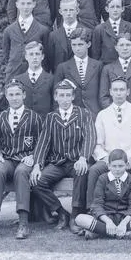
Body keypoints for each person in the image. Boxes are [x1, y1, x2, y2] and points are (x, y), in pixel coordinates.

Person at [30, 79, 97, 234]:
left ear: (73, 96)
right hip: (57, 163)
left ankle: (75, 215)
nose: (65, 99)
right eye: (61, 95)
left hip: (76, 161)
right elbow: (43, 142)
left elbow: (90, 137)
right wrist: (37, 165)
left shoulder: (84, 114)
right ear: (56, 97)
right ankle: (61, 213)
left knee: (82, 171)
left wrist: (83, 158)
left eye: (68, 95)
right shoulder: (51, 117)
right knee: (36, 182)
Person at [0, 80, 43, 240]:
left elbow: (42, 142)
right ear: (6, 96)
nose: (14, 98)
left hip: (26, 160)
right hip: (7, 159)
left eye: (17, 94)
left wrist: (33, 156)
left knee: (21, 172)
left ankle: (23, 224)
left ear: (24, 95)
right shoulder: (0, 117)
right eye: (11, 95)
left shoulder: (34, 117)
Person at [88, 76, 131, 209]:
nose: (119, 93)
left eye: (122, 90)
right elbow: (97, 144)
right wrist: (105, 158)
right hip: (109, 158)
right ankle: (92, 208)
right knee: (95, 170)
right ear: (110, 92)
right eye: (116, 90)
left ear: (128, 92)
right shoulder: (102, 114)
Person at [73, 149, 131, 240]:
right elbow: (97, 204)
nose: (117, 169)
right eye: (114, 166)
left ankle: (99, 232)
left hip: (124, 217)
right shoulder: (102, 179)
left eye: (121, 166)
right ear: (108, 166)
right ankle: (126, 233)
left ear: (126, 165)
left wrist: (124, 223)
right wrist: (108, 222)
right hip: (105, 217)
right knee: (79, 218)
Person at [53, 28, 103, 118]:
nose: (77, 48)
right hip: (72, 115)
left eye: (80, 44)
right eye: (74, 45)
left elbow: (102, 91)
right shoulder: (63, 67)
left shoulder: (98, 65)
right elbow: (56, 94)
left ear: (88, 44)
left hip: (94, 113)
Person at [2, 0, 50, 80]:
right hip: (14, 75)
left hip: (36, 77)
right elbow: (6, 55)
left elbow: (46, 58)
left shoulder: (43, 31)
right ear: (17, 5)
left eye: (28, 3)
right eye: (23, 3)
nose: (25, 7)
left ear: (34, 4)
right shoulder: (8, 31)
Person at [98, 33, 131, 110]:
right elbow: (103, 97)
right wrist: (115, 111)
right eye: (121, 45)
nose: (125, 48)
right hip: (114, 113)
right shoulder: (107, 69)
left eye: (128, 45)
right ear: (116, 48)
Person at [90, 0, 131, 64]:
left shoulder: (130, 27)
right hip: (106, 67)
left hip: (126, 66)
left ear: (122, 9)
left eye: (118, 7)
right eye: (112, 7)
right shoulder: (99, 29)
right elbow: (95, 55)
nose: (115, 10)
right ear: (107, 9)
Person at [12, 41, 55, 117]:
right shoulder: (18, 80)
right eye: (31, 54)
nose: (34, 57)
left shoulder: (51, 79)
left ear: (42, 56)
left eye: (37, 54)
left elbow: (55, 105)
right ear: (26, 57)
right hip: (24, 122)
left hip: (45, 121)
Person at [46, 0, 80, 69]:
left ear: (77, 11)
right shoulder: (53, 36)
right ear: (60, 12)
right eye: (65, 10)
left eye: (71, 10)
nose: (68, 13)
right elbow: (50, 61)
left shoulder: (87, 32)